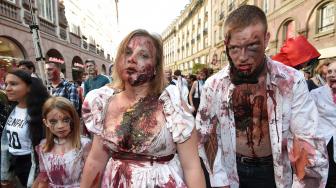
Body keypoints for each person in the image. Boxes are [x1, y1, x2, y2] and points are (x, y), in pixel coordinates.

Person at [196, 5, 328, 188]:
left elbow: (308, 141)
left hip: (275, 174)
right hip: (232, 171)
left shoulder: (290, 81)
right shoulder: (214, 85)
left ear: (266, 40)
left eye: (252, 46)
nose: (242, 57)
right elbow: (206, 136)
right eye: (234, 48)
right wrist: (220, 181)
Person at [80, 29, 205, 187]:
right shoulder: (104, 102)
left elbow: (192, 167)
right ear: (119, 60)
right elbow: (95, 161)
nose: (132, 59)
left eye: (143, 55)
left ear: (155, 67)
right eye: (128, 52)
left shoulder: (172, 104)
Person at [1, 69, 49, 187]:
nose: (7, 88)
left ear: (28, 87)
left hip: (32, 164)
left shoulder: (42, 111)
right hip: (14, 163)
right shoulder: (12, 108)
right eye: (6, 84)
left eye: (13, 84)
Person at [32, 97, 91, 187]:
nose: (60, 126)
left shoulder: (84, 144)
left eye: (66, 120)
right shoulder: (43, 146)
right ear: (46, 122)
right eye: (53, 121)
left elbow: (91, 177)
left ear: (73, 119)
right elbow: (43, 177)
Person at [311, 58, 336, 188]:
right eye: (330, 71)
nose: (332, 74)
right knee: (324, 179)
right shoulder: (315, 94)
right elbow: (307, 119)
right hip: (323, 143)